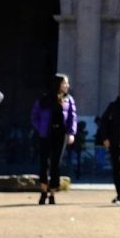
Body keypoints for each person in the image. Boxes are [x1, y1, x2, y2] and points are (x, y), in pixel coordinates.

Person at [29, 75, 77, 205]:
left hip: (61, 134)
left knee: (56, 163)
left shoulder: (69, 99)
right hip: (46, 133)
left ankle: (52, 193)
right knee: (44, 163)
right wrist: (40, 128)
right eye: (64, 83)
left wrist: (71, 133)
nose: (67, 86)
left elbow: (73, 117)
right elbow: (34, 116)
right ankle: (43, 190)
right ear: (58, 84)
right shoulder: (44, 99)